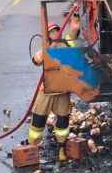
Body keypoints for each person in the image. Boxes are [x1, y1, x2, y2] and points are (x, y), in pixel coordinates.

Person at [28, 15, 80, 161]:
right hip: (46, 91)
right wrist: (47, 50)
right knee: (38, 119)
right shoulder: (44, 48)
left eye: (57, 31)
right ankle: (32, 148)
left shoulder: (66, 44)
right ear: (47, 35)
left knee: (62, 122)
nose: (55, 33)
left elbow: (74, 33)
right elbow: (35, 61)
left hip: (62, 90)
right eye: (52, 32)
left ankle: (61, 149)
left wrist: (75, 18)